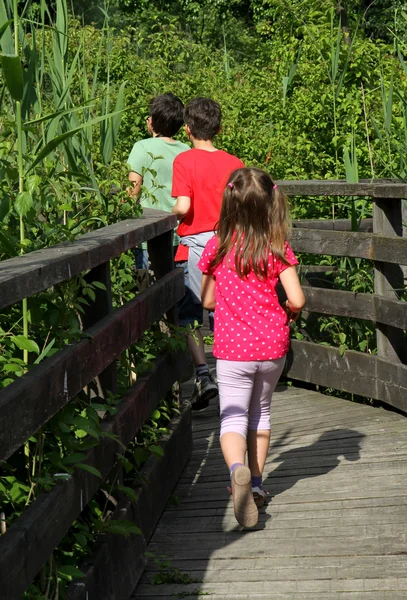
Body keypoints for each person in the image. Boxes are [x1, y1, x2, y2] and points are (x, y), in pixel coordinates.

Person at [198, 167, 306, 529]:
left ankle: (236, 471)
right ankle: (257, 486)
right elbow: (297, 298)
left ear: (229, 203)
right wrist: (287, 312)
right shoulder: (277, 248)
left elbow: (208, 301)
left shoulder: (219, 246)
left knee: (233, 416)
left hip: (232, 349)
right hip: (272, 346)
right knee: (261, 413)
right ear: (270, 205)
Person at [171, 97, 244, 410]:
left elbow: (183, 207)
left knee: (189, 313)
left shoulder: (184, 161)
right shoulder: (235, 164)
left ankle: (203, 374)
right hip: (230, 242)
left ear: (187, 130)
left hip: (196, 246)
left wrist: (168, 214)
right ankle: (230, 373)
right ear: (220, 128)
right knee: (223, 310)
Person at [127, 93, 190, 283]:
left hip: (148, 237)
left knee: (145, 289)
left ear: (152, 121)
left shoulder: (142, 147)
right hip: (179, 235)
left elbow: (132, 192)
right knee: (177, 290)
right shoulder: (186, 150)